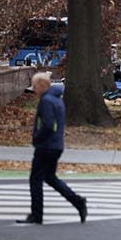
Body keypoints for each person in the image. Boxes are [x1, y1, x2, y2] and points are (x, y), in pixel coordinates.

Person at [16, 72, 87, 225]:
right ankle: (78, 202)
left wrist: (37, 138)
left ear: (41, 85)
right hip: (56, 145)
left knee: (35, 179)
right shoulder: (57, 100)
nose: (33, 89)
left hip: (46, 146)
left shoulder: (46, 101)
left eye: (34, 86)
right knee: (50, 177)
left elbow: (47, 124)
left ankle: (37, 214)